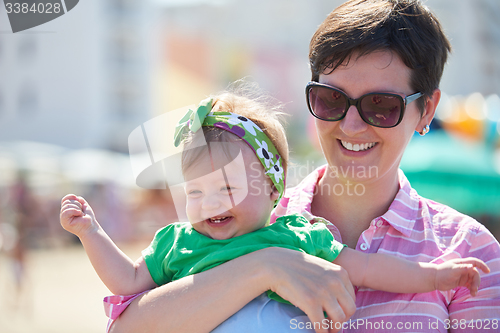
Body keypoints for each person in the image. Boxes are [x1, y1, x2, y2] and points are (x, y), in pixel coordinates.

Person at [91, 1, 500, 333]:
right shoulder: (240, 218)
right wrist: (263, 265)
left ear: (426, 109)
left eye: (381, 105)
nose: (351, 124)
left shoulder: (470, 253)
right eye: (331, 99)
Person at [61, 89, 490, 333]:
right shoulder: (177, 244)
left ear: (272, 189)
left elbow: (369, 268)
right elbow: (126, 284)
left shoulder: (296, 235)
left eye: (227, 187)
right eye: (195, 193)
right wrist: (90, 232)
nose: (211, 203)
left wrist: (435, 276)